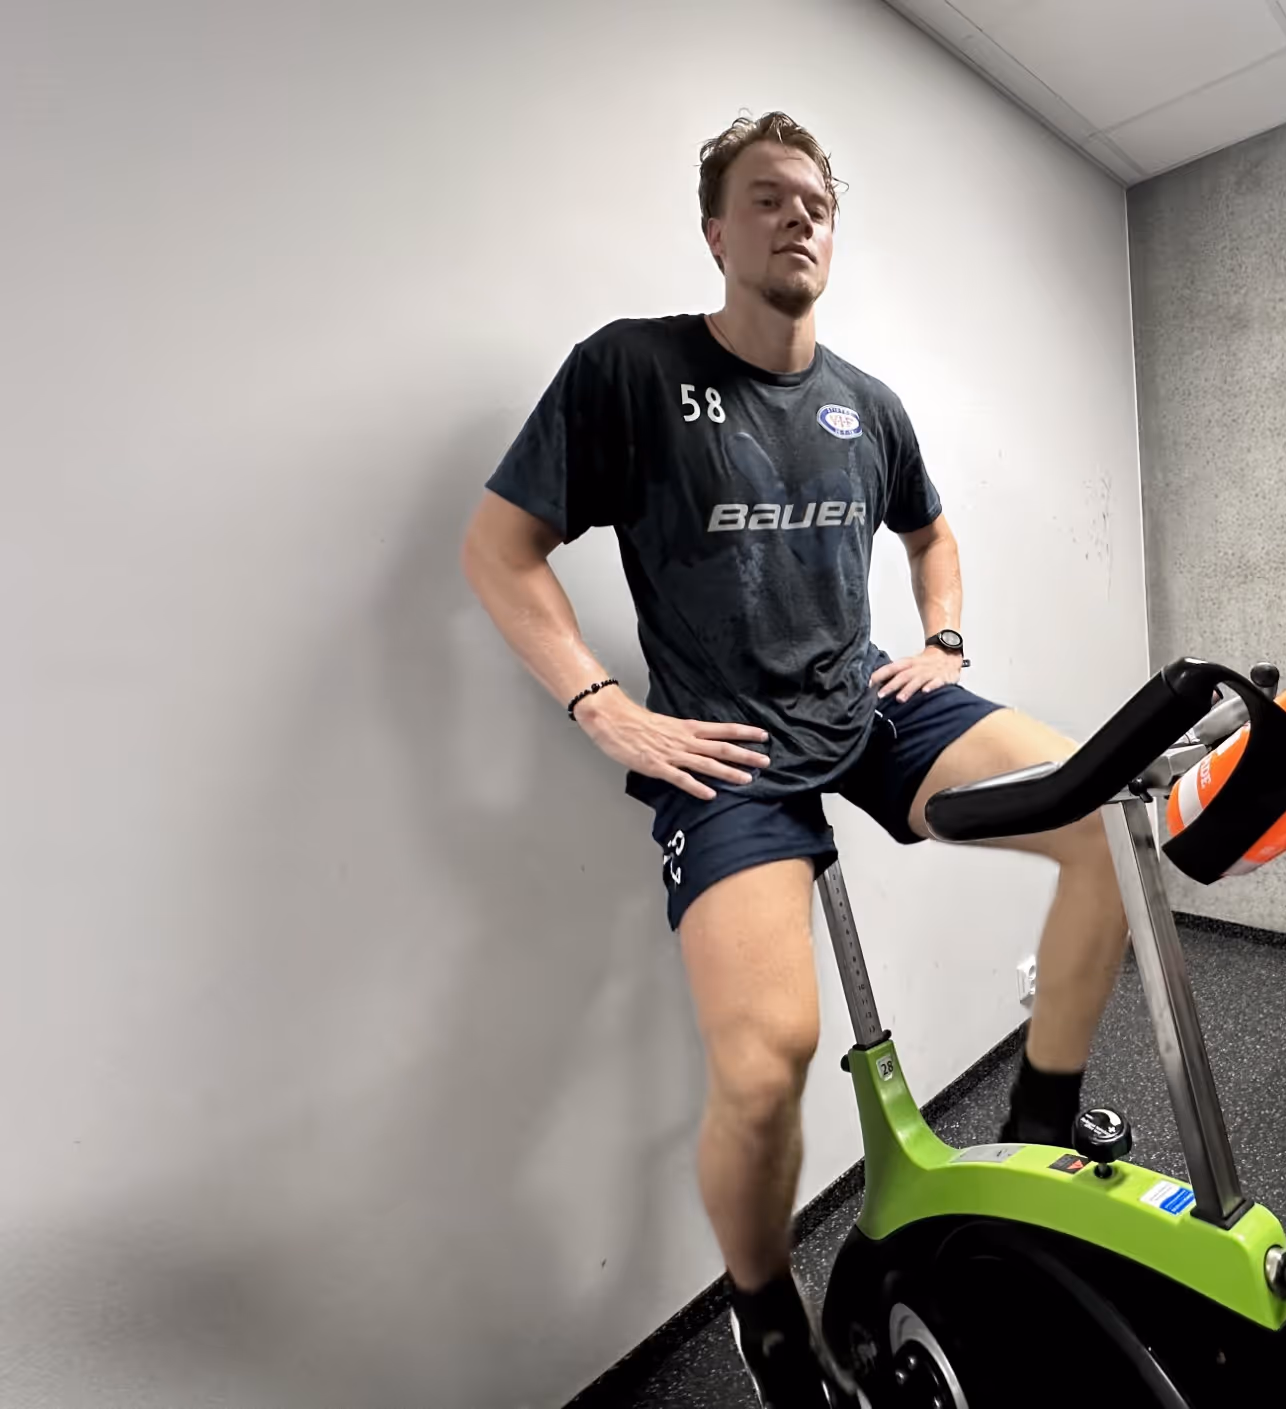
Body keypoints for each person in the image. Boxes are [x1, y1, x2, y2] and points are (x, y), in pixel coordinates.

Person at [460, 112, 1129, 1406]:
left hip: (868, 706)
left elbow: (931, 535)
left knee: (1108, 816)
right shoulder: (632, 369)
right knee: (767, 1065)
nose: (798, 217)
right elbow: (500, 547)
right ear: (716, 232)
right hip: (727, 750)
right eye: (766, 197)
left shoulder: (865, 405)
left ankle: (1039, 1128)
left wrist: (943, 636)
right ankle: (766, 1316)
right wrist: (601, 703)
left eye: (816, 200)